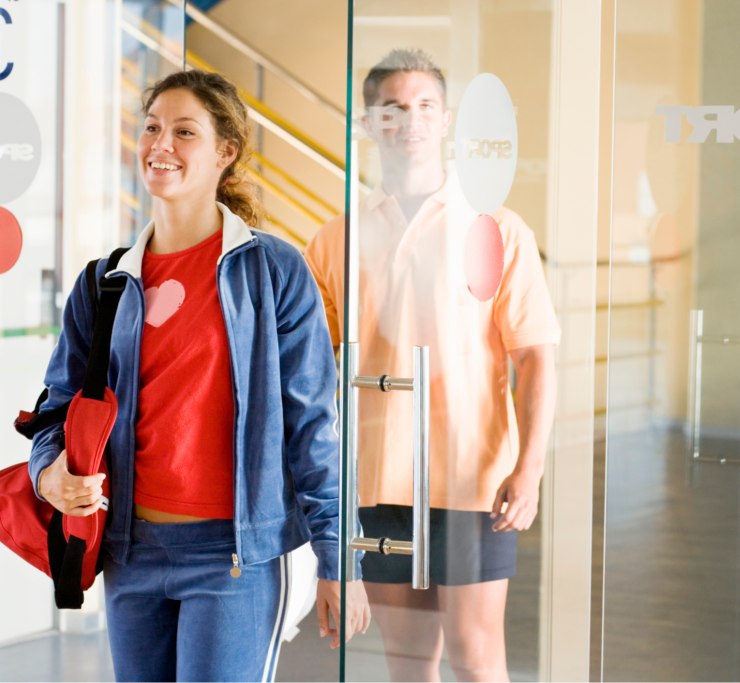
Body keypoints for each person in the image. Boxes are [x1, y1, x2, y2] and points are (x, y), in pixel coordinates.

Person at [28, 69, 369, 683]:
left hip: (233, 558)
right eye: (152, 128)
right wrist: (48, 472)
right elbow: (57, 407)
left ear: (225, 152)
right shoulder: (103, 283)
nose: (161, 145)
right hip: (130, 553)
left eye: (185, 132)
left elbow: (315, 427)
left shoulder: (274, 273)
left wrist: (338, 560)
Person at [304, 49, 559, 682]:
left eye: (424, 106)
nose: (410, 120)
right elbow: (307, 366)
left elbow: (534, 356)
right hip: (376, 485)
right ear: (368, 124)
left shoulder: (495, 227)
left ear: (445, 121)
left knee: (477, 656)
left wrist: (529, 468)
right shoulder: (337, 236)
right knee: (410, 663)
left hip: (473, 484)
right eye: (392, 108)